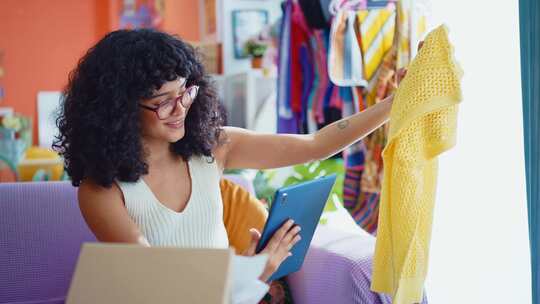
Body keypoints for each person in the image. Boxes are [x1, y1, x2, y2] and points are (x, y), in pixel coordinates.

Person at [54, 29, 400, 285]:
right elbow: (160, 287)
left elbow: (316, 143)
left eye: (185, 92)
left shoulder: (215, 147)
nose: (180, 109)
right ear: (118, 110)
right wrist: (253, 273)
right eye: (162, 101)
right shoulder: (101, 191)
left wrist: (392, 104)